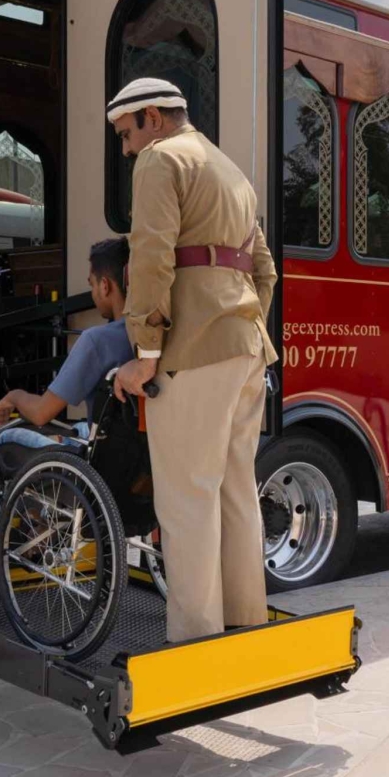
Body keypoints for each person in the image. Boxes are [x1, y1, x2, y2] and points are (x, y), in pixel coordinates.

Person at [108, 77, 278, 643]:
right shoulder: (231, 171)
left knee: (186, 497)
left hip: (194, 348)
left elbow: (151, 255)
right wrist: (241, 322)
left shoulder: (160, 159)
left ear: (152, 118)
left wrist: (146, 352)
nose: (126, 148)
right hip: (247, 344)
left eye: (126, 133)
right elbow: (265, 270)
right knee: (235, 489)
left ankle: (195, 639)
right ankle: (245, 620)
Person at [0, 237, 133, 447]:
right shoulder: (152, 338)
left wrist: (14, 397)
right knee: (78, 429)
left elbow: (41, 413)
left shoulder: (96, 341)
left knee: (5, 438)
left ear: (105, 286)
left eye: (92, 284)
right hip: (139, 452)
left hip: (104, 455)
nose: (93, 293)